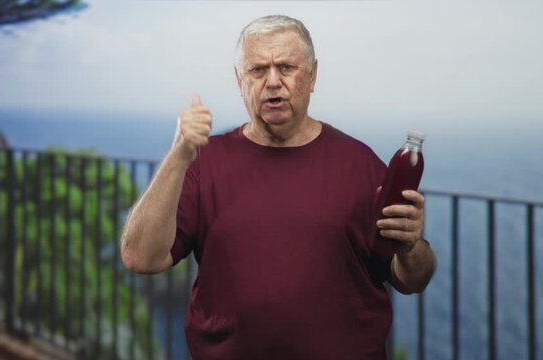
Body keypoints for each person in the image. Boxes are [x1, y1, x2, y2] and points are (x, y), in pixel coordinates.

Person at [121, 15, 436, 360]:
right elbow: (140, 257)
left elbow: (412, 280)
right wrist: (179, 155)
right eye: (258, 70)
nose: (273, 82)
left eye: (287, 67)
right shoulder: (203, 162)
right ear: (240, 80)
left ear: (313, 75)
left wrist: (411, 246)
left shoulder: (360, 164)